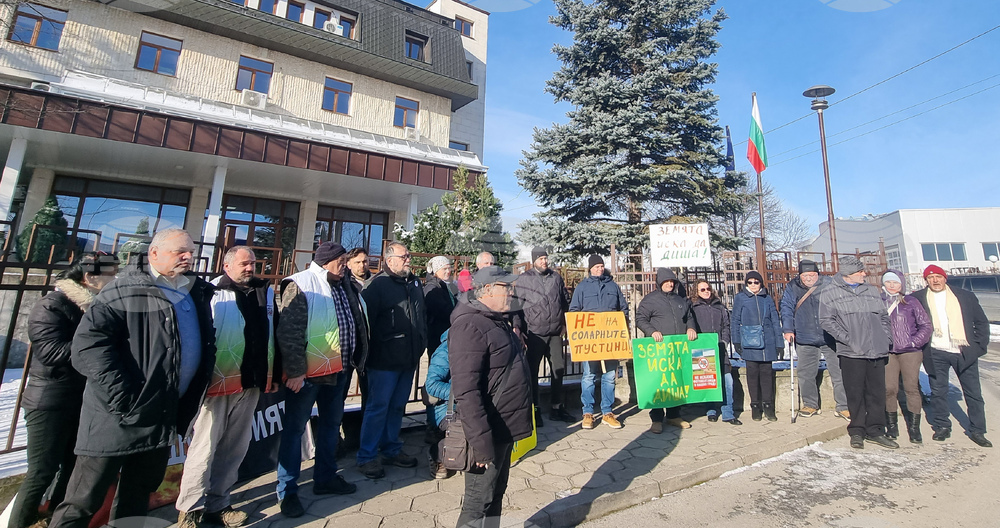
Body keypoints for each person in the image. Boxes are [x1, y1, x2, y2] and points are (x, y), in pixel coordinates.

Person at [50, 229, 216, 528]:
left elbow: (204, 342)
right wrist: (124, 396)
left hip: (162, 416)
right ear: (153, 254)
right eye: (179, 251)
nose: (188, 256)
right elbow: (88, 346)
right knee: (82, 503)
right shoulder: (124, 289)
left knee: (136, 500)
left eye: (190, 251)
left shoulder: (195, 291)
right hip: (115, 418)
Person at [176, 247, 281, 528]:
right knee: (204, 448)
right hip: (218, 385)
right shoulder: (211, 293)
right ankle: (190, 510)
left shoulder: (264, 292)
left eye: (253, 263)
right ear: (226, 265)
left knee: (234, 448)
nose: (250, 268)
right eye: (244, 263)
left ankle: (219, 503)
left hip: (252, 383)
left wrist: (273, 375)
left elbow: (274, 331)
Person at [10, 253, 119, 528]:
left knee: (73, 467)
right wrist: (96, 343)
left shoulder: (95, 307)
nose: (115, 280)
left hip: (81, 400)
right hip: (49, 402)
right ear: (89, 278)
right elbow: (50, 352)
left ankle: (51, 520)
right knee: (41, 471)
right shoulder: (51, 305)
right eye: (110, 274)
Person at [274, 242, 369, 517]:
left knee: (330, 426)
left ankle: (325, 478)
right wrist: (294, 371)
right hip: (308, 376)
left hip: (339, 371)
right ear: (328, 261)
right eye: (342, 261)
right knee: (294, 431)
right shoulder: (301, 284)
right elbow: (289, 332)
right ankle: (287, 491)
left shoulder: (343, 284)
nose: (346, 265)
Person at [449, 266, 533, 528]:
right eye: (505, 287)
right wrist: (482, 444)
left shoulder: (496, 319)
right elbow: (467, 392)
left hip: (503, 427)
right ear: (486, 291)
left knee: (496, 496)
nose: (511, 292)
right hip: (485, 434)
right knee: (478, 503)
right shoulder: (469, 326)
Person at [357, 242, 427, 478]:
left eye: (409, 255)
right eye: (404, 256)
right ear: (390, 260)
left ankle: (391, 449)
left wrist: (421, 342)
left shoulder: (414, 283)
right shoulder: (376, 285)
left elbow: (421, 317)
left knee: (398, 407)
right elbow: (365, 325)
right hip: (383, 361)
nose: (408, 259)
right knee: (378, 408)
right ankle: (366, 456)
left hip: (408, 359)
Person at [818, 256, 896, 450]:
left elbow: (883, 317)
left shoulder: (871, 290)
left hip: (876, 350)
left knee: (877, 393)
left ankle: (876, 430)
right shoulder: (830, 292)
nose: (864, 274)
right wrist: (849, 340)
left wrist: (886, 338)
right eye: (860, 271)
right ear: (848, 274)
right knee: (855, 393)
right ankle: (857, 431)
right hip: (852, 352)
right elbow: (827, 321)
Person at [911, 265, 992, 447]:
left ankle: (978, 430)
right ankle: (942, 426)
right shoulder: (918, 299)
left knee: (973, 393)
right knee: (938, 392)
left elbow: (981, 323)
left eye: (938, 276)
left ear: (945, 278)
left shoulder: (964, 296)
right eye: (931, 278)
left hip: (963, 350)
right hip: (935, 351)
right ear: (926, 280)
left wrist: (979, 347)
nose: (935, 280)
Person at [780, 260, 849, 420]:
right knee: (805, 373)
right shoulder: (792, 287)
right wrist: (788, 329)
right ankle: (810, 404)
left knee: (839, 372)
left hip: (830, 336)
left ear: (818, 274)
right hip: (805, 336)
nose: (809, 278)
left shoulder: (830, 284)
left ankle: (843, 406)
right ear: (800, 275)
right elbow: (786, 308)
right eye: (805, 275)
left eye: (812, 275)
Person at [515, 247, 574, 425]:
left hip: (555, 332)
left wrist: (565, 324)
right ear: (534, 260)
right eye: (541, 259)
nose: (544, 261)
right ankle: (535, 410)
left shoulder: (556, 278)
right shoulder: (525, 279)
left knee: (558, 369)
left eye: (546, 258)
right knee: (532, 372)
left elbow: (565, 302)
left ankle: (557, 407)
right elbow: (516, 306)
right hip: (534, 334)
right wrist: (518, 328)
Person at [636, 268, 698, 433]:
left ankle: (673, 416)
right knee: (659, 382)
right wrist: (652, 332)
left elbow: (689, 317)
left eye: (672, 282)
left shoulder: (680, 300)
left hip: (678, 349)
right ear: (660, 283)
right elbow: (640, 319)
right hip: (659, 349)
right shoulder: (650, 300)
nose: (670, 284)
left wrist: (691, 328)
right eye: (667, 281)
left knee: (676, 380)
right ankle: (656, 418)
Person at [569, 255, 628, 430]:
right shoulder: (582, 288)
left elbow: (623, 308)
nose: (599, 269)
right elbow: (574, 311)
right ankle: (587, 413)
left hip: (610, 340)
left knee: (609, 377)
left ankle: (607, 412)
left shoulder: (613, 286)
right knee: (588, 376)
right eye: (596, 266)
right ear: (590, 268)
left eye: (602, 266)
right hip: (590, 342)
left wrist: (620, 323)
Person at [880, 270, 932, 443]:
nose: (892, 285)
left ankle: (915, 429)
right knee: (889, 389)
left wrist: (913, 342)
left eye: (895, 282)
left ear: (901, 283)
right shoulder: (878, 302)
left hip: (910, 352)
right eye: (888, 282)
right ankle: (892, 427)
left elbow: (925, 325)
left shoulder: (911, 302)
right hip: (887, 351)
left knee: (911, 388)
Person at [731, 271, 783, 422]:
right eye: (750, 282)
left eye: (756, 282)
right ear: (746, 284)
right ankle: (755, 406)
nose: (753, 285)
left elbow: (775, 321)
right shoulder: (740, 298)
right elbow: (734, 320)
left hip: (767, 341)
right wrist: (736, 341)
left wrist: (779, 343)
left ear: (761, 283)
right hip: (749, 340)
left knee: (767, 374)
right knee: (752, 374)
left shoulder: (767, 298)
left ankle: (768, 406)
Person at [690, 280, 741, 426]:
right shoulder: (693, 307)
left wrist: (724, 341)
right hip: (702, 351)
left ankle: (728, 413)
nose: (706, 291)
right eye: (702, 289)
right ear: (696, 292)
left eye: (708, 289)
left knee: (727, 381)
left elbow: (726, 325)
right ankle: (710, 410)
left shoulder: (720, 307)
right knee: (707, 381)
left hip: (720, 348)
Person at [423, 255, 457, 437]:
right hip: (438, 342)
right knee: (435, 381)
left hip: (445, 340)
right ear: (435, 270)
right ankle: (432, 423)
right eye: (444, 268)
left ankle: (440, 419)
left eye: (449, 267)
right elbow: (447, 312)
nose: (448, 270)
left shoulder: (444, 286)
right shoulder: (433, 289)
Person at [424, 330, 454, 480]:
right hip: (446, 408)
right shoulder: (445, 350)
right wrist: (462, 393)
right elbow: (432, 385)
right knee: (460, 425)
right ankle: (437, 455)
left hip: (468, 403)